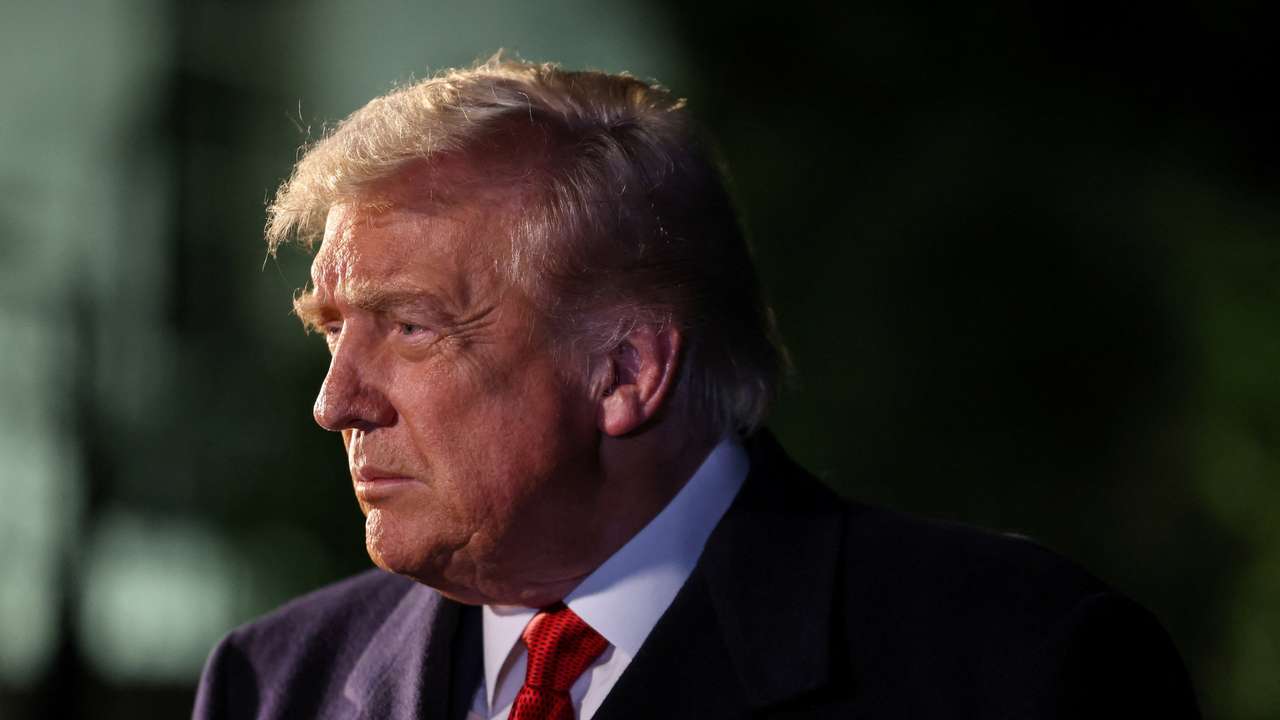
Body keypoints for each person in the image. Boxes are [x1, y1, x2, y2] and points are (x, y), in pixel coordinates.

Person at [193, 56, 1200, 720]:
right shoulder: (270, 686)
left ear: (628, 371)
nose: (336, 401)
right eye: (333, 330)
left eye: (410, 327)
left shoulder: (1017, 667)